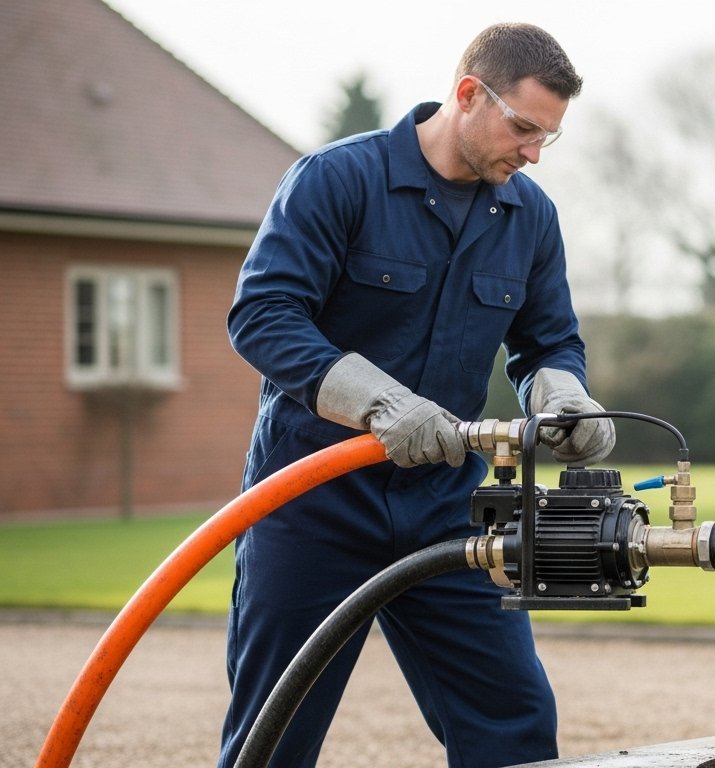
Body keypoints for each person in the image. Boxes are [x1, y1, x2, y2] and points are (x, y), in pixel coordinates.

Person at [220, 23, 614, 768]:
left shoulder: (530, 219)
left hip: (447, 508)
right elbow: (262, 316)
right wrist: (378, 403)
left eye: (548, 139)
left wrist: (563, 396)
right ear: (469, 94)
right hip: (314, 504)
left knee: (514, 722)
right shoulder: (337, 180)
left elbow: (547, 343)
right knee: (275, 734)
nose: (533, 154)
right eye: (524, 128)